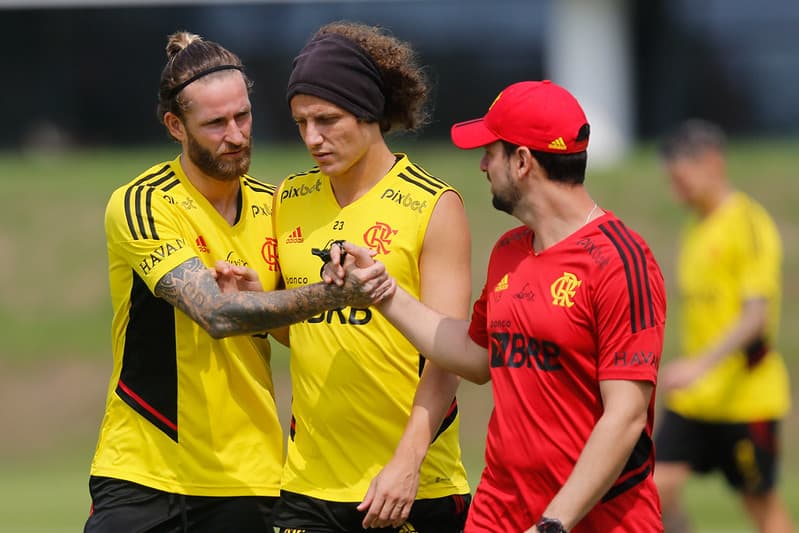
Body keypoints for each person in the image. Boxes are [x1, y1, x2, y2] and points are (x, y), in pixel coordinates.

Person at [85, 31, 389, 533]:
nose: (236, 135)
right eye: (215, 123)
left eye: (243, 116)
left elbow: (300, 334)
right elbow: (216, 315)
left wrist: (275, 301)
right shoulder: (143, 202)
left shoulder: (278, 207)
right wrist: (332, 294)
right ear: (174, 126)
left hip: (253, 479)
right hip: (145, 472)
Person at [336, 80, 668, 532]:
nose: (482, 165)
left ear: (523, 161)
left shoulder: (620, 261)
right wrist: (381, 290)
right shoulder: (509, 250)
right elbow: (475, 358)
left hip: (595, 522)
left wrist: (552, 524)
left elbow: (625, 416)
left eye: (490, 152)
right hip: (499, 513)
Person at [272, 21, 472, 533]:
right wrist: (257, 302)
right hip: (307, 487)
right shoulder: (288, 199)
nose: (312, 138)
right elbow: (301, 330)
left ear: (370, 113)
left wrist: (407, 464)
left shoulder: (434, 205)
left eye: (327, 119)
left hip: (414, 488)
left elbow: (448, 356)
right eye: (301, 123)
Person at [654, 120, 794, 533]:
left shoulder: (746, 222)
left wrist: (701, 364)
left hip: (746, 396)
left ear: (712, 163)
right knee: (654, 489)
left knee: (760, 505)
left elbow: (756, 315)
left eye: (680, 178)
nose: (675, 189)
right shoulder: (694, 227)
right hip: (696, 400)